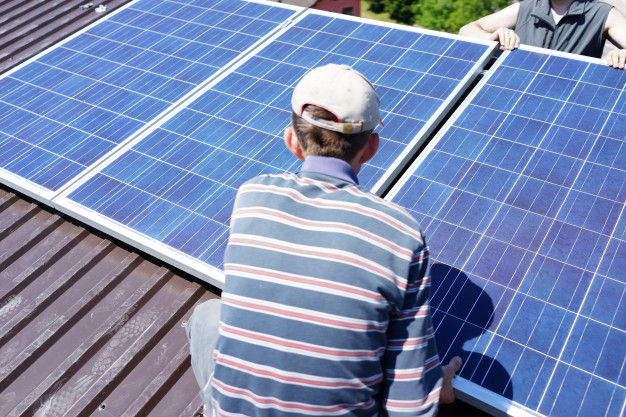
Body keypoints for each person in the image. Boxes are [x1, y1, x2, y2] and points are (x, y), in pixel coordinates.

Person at [186, 64, 462, 417]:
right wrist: (436, 385)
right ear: (372, 147)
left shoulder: (251, 196)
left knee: (208, 315)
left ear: (291, 140)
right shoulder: (401, 233)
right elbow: (408, 406)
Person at [459, 0, 626, 68]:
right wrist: (491, 37)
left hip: (569, 107)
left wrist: (622, 54)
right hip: (517, 100)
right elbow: (466, 30)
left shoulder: (604, 14)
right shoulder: (525, 8)